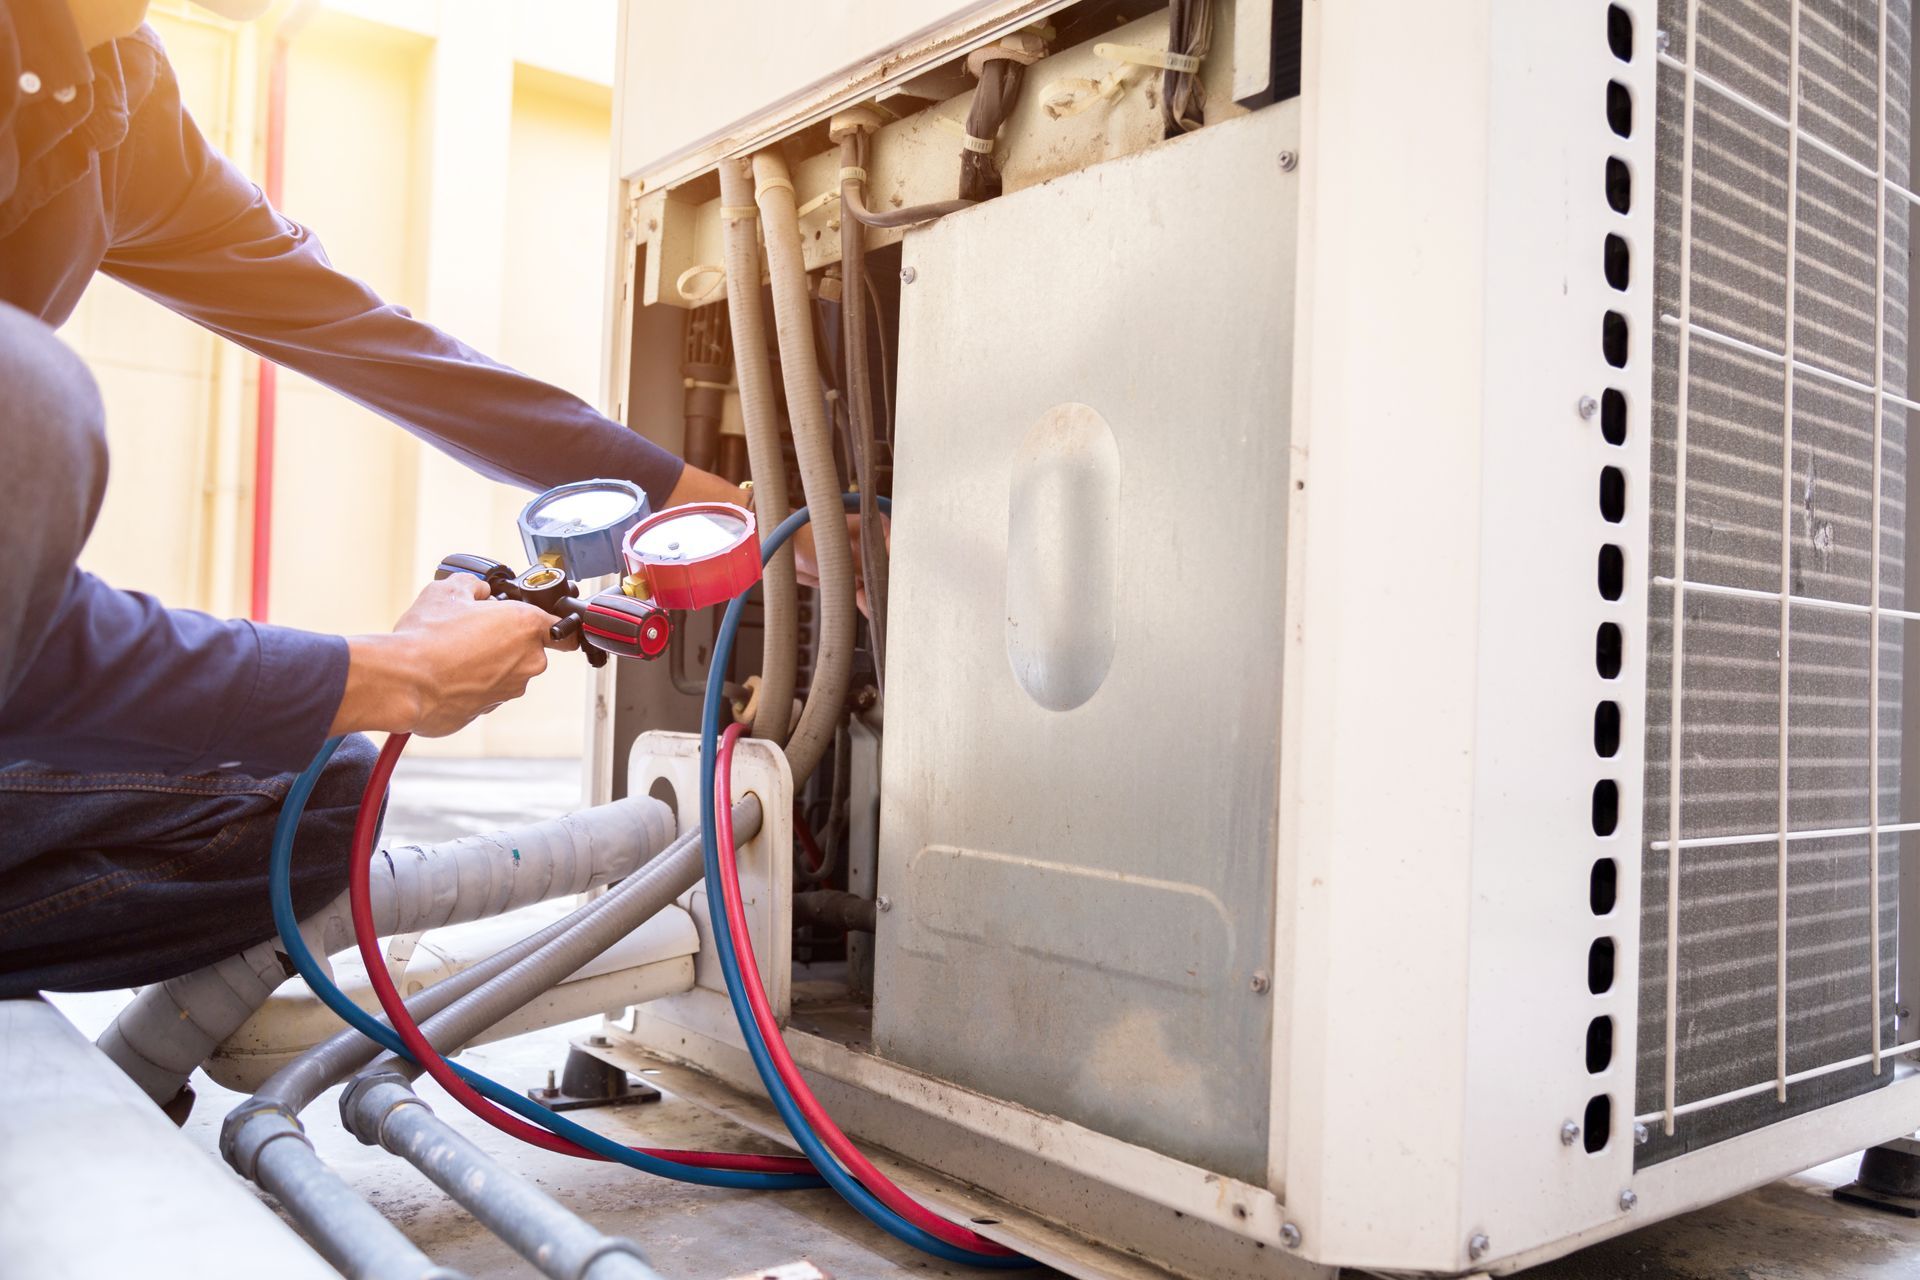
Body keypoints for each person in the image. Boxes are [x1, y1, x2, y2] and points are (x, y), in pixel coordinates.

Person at [0, 0, 763, 1005]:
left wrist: (696, 498)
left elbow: (375, 341)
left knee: (310, 803)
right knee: (33, 399)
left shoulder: (114, 93)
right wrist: (381, 674)